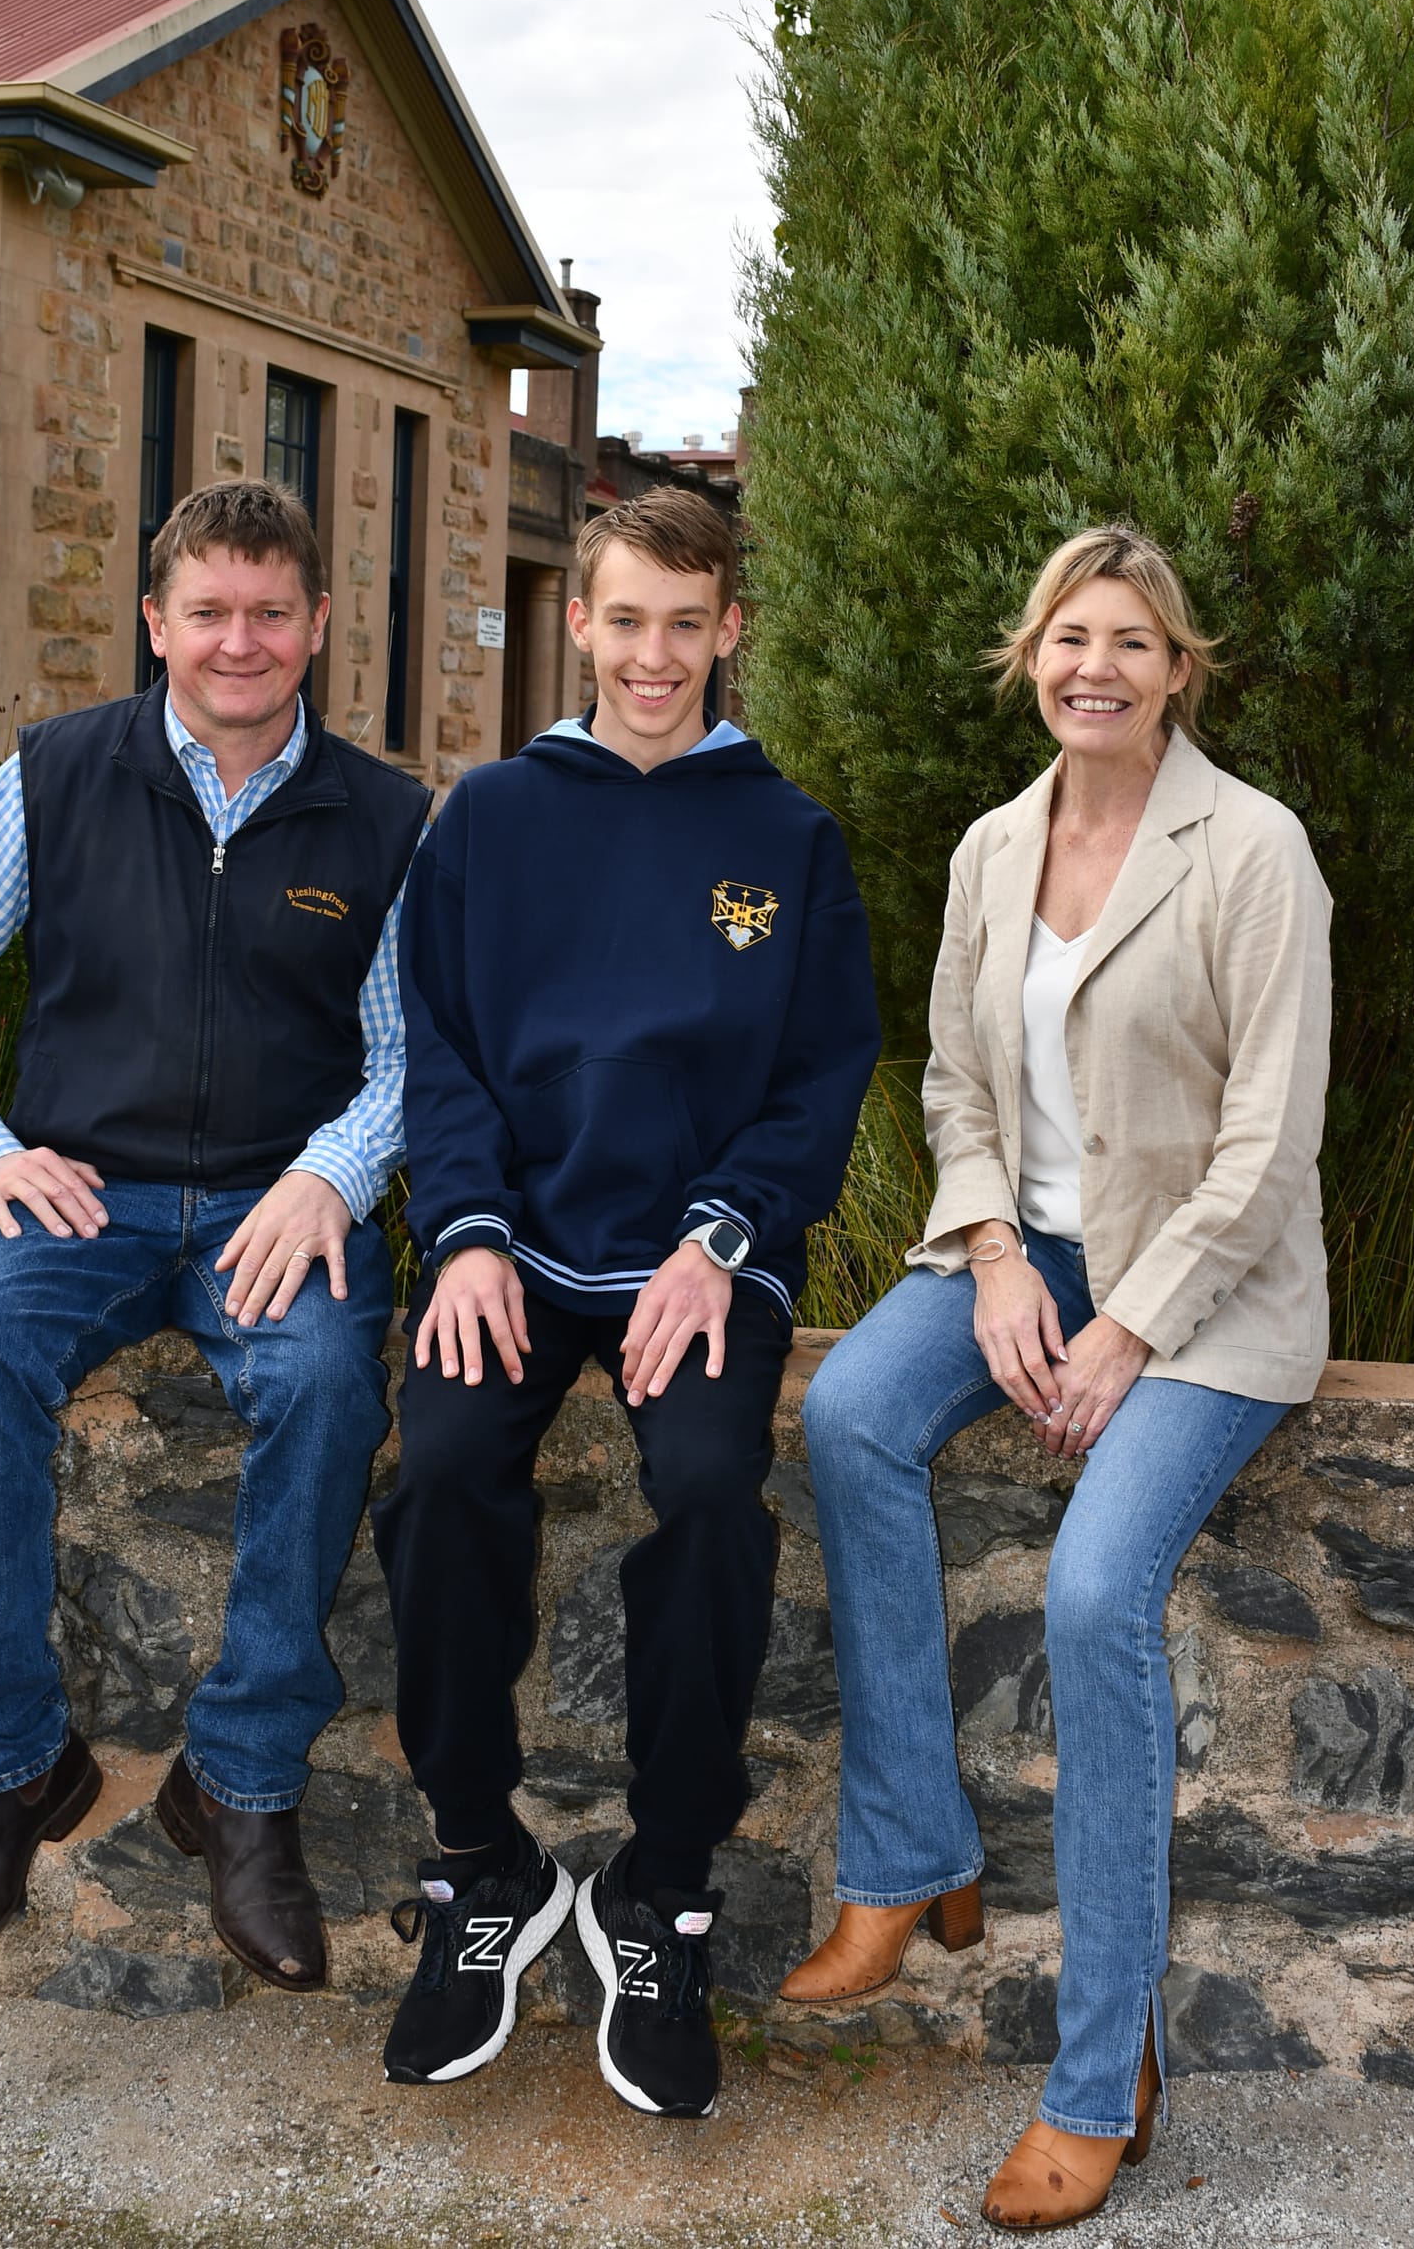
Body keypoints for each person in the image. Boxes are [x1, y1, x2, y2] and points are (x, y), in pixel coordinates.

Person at [783, 526, 1331, 2232]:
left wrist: (1133, 1323)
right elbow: (956, 1084)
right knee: (848, 1415)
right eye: (1068, 639)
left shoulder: (1254, 849)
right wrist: (999, 1255)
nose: (1096, 667)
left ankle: (1103, 2073)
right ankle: (909, 1856)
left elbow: (1270, 1142)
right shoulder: (991, 847)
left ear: (1178, 671)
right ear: (1031, 658)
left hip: (1213, 1294)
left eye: (1131, 642)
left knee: (1096, 1591)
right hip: (1026, 1256)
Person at [0, 478, 427, 1994]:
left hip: (275, 1204)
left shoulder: (386, 820)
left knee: (327, 1385)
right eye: (208, 612)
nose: (240, 642)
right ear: (156, 623)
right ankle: (1, 1776)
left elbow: (412, 1053)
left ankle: (240, 1784)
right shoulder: (57, 776)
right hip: (83, 1196)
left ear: (318, 625)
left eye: (270, 613)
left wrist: (333, 1174)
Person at [375, 484, 880, 2120]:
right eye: (625, 621)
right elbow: (438, 1047)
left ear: (728, 629)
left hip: (700, 1254)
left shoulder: (788, 838)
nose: (653, 655)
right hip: (512, 1242)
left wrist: (723, 1236)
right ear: (578, 623)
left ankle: (663, 1888)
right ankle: (484, 1861)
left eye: (686, 624)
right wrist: (463, 1233)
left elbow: (821, 1075)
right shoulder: (490, 817)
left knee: (718, 1490)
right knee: (445, 1472)